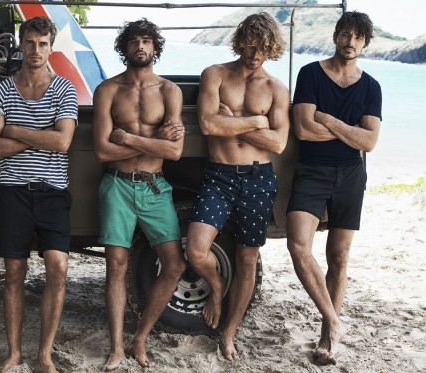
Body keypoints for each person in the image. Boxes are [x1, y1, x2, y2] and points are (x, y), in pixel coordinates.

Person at [185, 12, 290, 360]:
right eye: (249, 44)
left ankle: (229, 333)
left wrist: (237, 122)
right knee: (197, 250)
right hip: (220, 176)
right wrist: (257, 121)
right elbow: (208, 125)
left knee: (247, 259)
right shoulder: (215, 74)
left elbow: (277, 144)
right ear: (240, 41)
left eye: (263, 47)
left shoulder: (276, 88)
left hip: (259, 179)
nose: (255, 53)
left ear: (272, 48)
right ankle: (216, 289)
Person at [285, 11, 382, 366]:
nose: (351, 42)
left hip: (351, 176)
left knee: (338, 257)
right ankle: (334, 319)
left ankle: (328, 334)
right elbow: (303, 131)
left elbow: (369, 142)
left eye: (358, 37)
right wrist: (348, 131)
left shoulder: (371, 86)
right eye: (346, 34)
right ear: (336, 36)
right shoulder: (311, 73)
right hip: (312, 172)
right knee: (298, 247)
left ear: (365, 43)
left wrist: (326, 118)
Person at [91, 18, 187, 371]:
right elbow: (101, 151)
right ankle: (117, 347)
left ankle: (140, 337)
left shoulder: (169, 91)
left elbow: (174, 153)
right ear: (125, 48)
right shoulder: (108, 91)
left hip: (154, 186)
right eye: (134, 41)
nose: (141, 47)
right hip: (116, 184)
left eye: (147, 41)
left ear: (156, 48)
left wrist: (130, 139)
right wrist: (157, 143)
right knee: (115, 267)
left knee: (175, 264)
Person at [0, 16, 77, 373]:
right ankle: (14, 353)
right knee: (14, 271)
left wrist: (14, 128)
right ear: (20, 45)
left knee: (58, 267)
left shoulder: (64, 89)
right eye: (30, 43)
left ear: (50, 47)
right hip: (13, 192)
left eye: (42, 44)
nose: (35, 51)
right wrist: (41, 134)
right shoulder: (3, 90)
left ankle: (45, 356)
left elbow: (63, 142)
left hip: (53, 192)